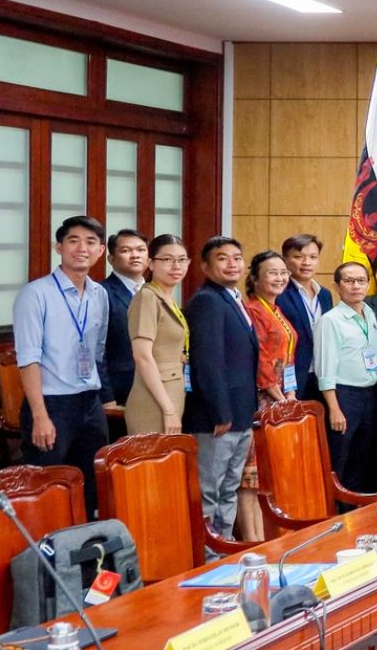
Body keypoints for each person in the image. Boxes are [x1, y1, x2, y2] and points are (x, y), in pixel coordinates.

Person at [12, 216, 110, 512]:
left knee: (93, 486)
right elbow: (27, 358)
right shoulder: (35, 293)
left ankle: (87, 552)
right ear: (59, 247)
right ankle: (43, 553)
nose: (82, 248)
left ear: (101, 251)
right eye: (73, 240)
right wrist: (40, 415)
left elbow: (97, 351)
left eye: (91, 242)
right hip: (51, 405)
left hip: (89, 404)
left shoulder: (99, 294)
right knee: (46, 488)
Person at [185, 235, 259, 536]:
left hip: (240, 414)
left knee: (229, 487)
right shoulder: (206, 301)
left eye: (237, 257)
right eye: (222, 258)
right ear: (205, 266)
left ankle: (224, 544)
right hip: (218, 418)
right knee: (210, 489)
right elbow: (208, 361)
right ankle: (208, 553)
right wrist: (220, 412)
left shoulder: (233, 298)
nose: (232, 264)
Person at [315, 261, 377, 491]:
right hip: (344, 396)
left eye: (361, 281)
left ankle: (358, 513)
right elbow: (325, 370)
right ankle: (338, 514)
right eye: (348, 281)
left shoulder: (369, 313)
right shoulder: (331, 321)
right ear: (337, 286)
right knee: (341, 459)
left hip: (371, 393)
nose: (355, 286)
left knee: (365, 458)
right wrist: (334, 408)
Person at [125, 233, 190, 436]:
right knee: (151, 464)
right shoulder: (147, 297)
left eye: (181, 260)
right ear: (151, 264)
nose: (176, 266)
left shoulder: (167, 298)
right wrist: (168, 410)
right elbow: (142, 356)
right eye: (167, 260)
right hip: (154, 398)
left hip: (171, 391)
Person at [276, 234, 332, 404]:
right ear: (285, 260)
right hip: (293, 377)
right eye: (298, 257)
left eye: (313, 257)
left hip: (323, 376)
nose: (307, 263)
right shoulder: (280, 294)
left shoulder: (325, 294)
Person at [100, 228, 148, 408]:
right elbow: (97, 350)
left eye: (141, 250)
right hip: (120, 391)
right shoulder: (102, 293)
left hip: (156, 387)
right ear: (111, 259)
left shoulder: (155, 292)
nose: (135, 255)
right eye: (126, 251)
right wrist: (106, 397)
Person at [245, 250, 299, 405]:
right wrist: (280, 397)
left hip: (282, 394)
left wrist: (290, 393)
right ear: (255, 279)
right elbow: (261, 359)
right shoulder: (253, 311)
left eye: (284, 273)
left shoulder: (276, 310)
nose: (280, 278)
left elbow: (288, 355)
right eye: (273, 273)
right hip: (264, 396)